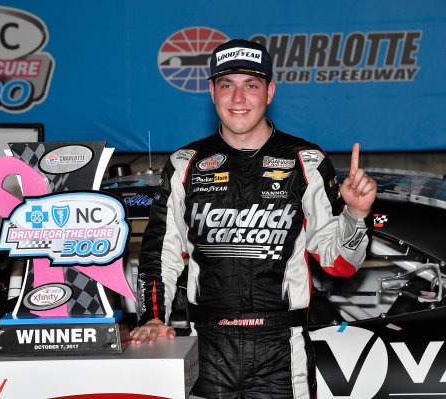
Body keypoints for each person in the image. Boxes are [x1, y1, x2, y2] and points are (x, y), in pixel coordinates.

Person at [129, 39, 377, 398]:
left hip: (281, 350)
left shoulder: (305, 161)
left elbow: (339, 264)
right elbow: (159, 254)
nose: (238, 98)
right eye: (227, 85)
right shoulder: (185, 163)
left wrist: (355, 214)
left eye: (252, 85)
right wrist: (152, 317)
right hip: (207, 348)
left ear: (270, 91)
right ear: (212, 92)